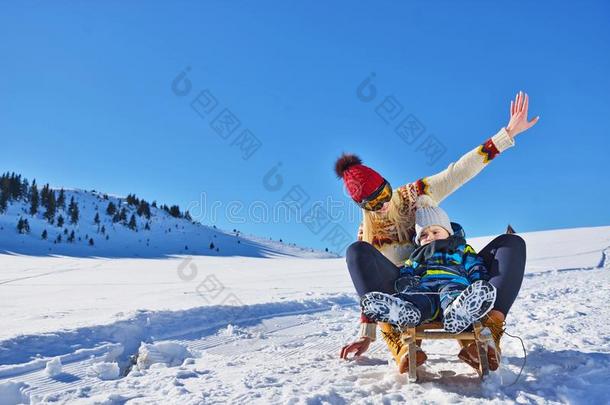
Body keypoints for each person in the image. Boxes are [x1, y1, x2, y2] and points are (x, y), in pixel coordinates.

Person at [338, 91, 534, 371]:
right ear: (362, 206)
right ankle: (403, 345)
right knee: (356, 252)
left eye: (384, 195)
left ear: (387, 184)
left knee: (512, 244)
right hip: (410, 288)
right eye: (373, 204)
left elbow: (458, 172)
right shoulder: (369, 232)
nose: (382, 206)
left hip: (454, 276)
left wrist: (506, 135)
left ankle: (486, 338)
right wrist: (366, 335)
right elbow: (368, 284)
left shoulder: (414, 196)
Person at [359, 197, 498, 372]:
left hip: (453, 285)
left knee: (452, 296)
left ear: (448, 232)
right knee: (419, 299)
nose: (429, 237)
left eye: (435, 232)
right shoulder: (416, 256)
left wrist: (478, 281)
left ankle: (456, 314)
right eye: (423, 235)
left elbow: (474, 265)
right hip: (426, 289)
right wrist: (406, 282)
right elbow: (407, 271)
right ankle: (406, 311)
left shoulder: (461, 249)